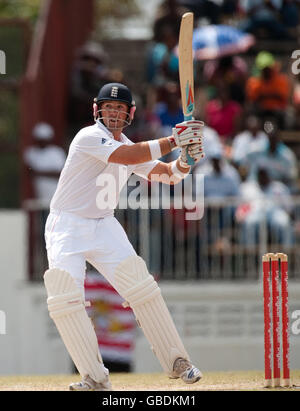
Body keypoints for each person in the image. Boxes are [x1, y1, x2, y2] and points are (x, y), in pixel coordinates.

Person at [43, 82, 204, 391]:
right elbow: (128, 156)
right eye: (108, 107)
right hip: (67, 225)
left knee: (141, 286)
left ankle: (178, 362)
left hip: (104, 225)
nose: (113, 113)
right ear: (97, 110)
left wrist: (187, 160)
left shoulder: (129, 145)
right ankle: (94, 376)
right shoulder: (88, 137)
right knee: (64, 297)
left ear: (130, 113)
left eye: (119, 108)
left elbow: (166, 175)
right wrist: (174, 139)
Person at [23, 122, 66, 206]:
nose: (42, 142)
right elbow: (28, 172)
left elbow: (61, 174)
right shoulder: (31, 152)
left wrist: (38, 173)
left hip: (56, 196)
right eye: (40, 139)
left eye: (44, 139)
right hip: (39, 197)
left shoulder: (57, 152)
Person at [245, 51, 290, 128]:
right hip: (260, 112)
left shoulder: (281, 80)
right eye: (264, 68)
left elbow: (284, 98)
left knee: (288, 116)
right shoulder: (253, 82)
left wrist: (265, 94)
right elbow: (252, 100)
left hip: (277, 113)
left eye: (268, 68)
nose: (266, 71)